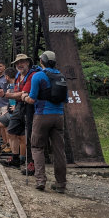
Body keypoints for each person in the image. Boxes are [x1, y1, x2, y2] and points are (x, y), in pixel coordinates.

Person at [21, 51, 66, 193]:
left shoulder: (38, 76)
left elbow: (32, 99)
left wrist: (24, 97)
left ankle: (40, 180)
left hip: (42, 115)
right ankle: (61, 184)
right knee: (59, 151)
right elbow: (65, 99)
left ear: (42, 61)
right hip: (59, 116)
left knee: (37, 147)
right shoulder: (62, 76)